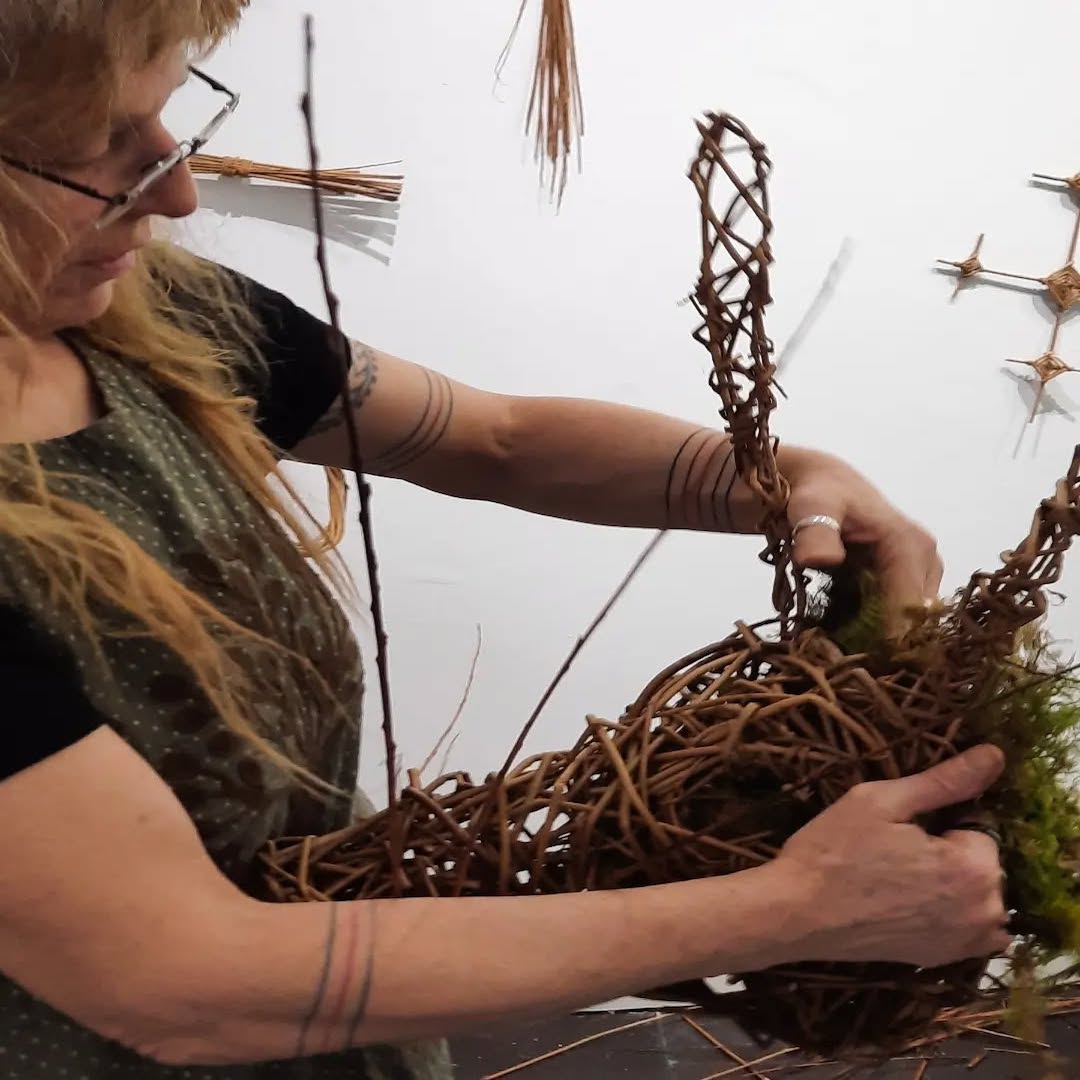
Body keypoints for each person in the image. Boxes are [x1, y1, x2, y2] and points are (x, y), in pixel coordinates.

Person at [0, 3, 1011, 1078]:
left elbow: (495, 439)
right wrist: (794, 911)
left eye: (168, 122)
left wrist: (781, 479)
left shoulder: (155, 319)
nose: (181, 191)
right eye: (95, 149)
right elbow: (183, 981)